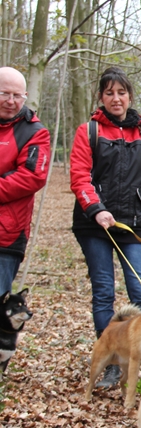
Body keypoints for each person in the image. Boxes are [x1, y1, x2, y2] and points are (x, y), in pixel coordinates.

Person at [70, 66, 141, 388]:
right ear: (101, 97)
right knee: (103, 293)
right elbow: (79, 176)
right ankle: (114, 362)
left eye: (121, 92)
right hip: (95, 227)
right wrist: (95, 209)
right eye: (109, 93)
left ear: (130, 96)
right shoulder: (88, 131)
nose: (116, 99)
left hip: (135, 226)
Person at [0, 67, 50, 295]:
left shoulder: (34, 131)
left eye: (17, 96)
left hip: (6, 236)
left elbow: (31, 177)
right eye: (4, 94)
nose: (10, 101)